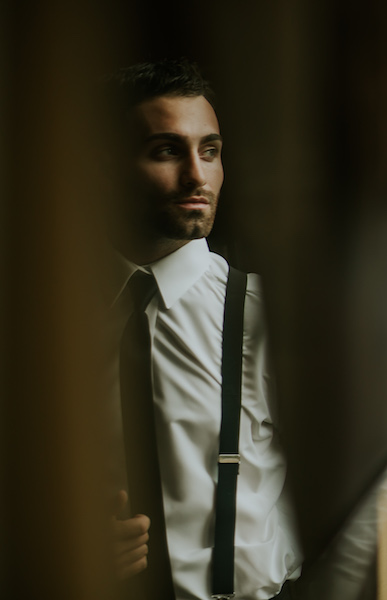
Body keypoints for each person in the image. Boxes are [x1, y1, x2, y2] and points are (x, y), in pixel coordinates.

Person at [104, 58, 301, 600]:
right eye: (167, 150)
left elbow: (347, 496)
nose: (197, 175)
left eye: (209, 151)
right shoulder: (46, 329)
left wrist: (267, 561)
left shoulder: (265, 316)